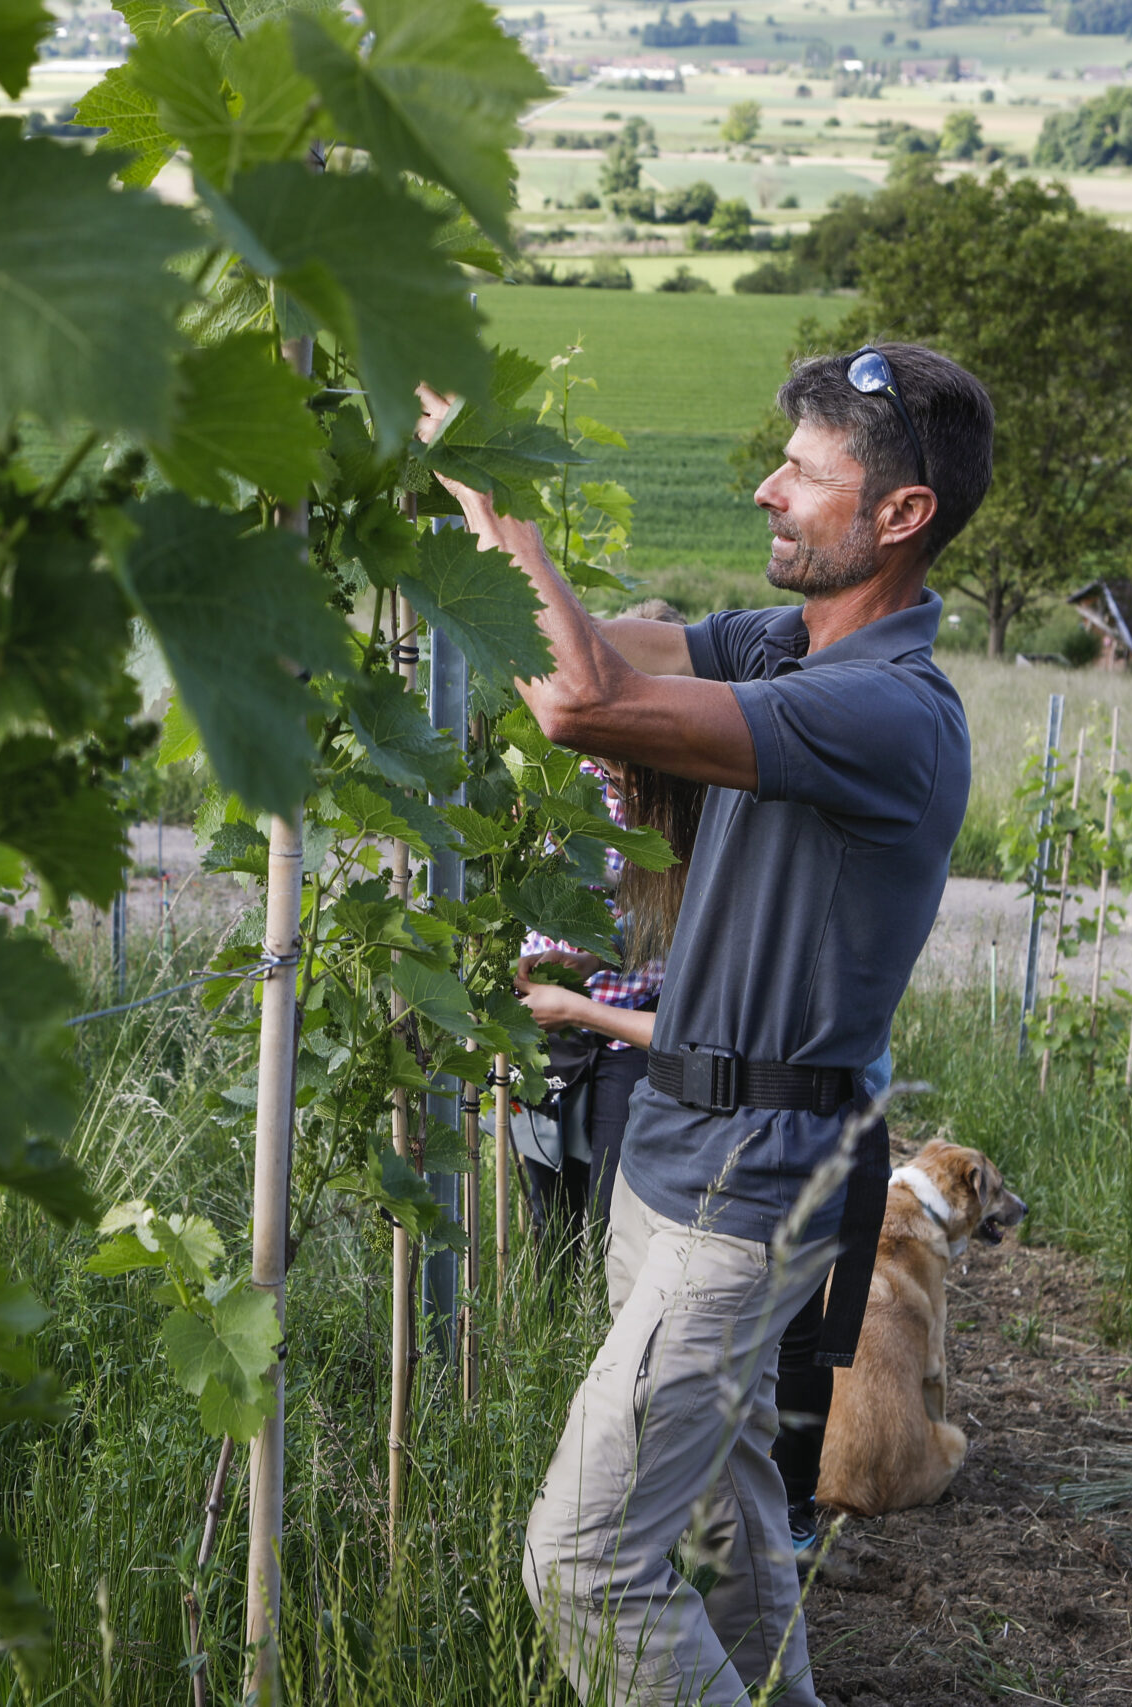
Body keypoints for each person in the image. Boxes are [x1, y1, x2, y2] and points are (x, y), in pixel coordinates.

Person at [420, 341, 993, 1707]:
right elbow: (595, 647)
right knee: (731, 1524)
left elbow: (583, 702)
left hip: (745, 1194)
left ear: (901, 514)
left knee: (586, 1560)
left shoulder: (885, 709)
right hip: (679, 1150)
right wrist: (469, 524)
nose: (764, 490)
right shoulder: (790, 645)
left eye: (802, 472)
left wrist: (492, 482)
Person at [512, 598, 703, 1247]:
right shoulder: (570, 779)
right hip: (550, 1016)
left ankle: (596, 1305)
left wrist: (600, 952)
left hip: (631, 1026)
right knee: (548, 1209)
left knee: (610, 1208)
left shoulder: (690, 798)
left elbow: (678, 916)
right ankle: (551, 1301)